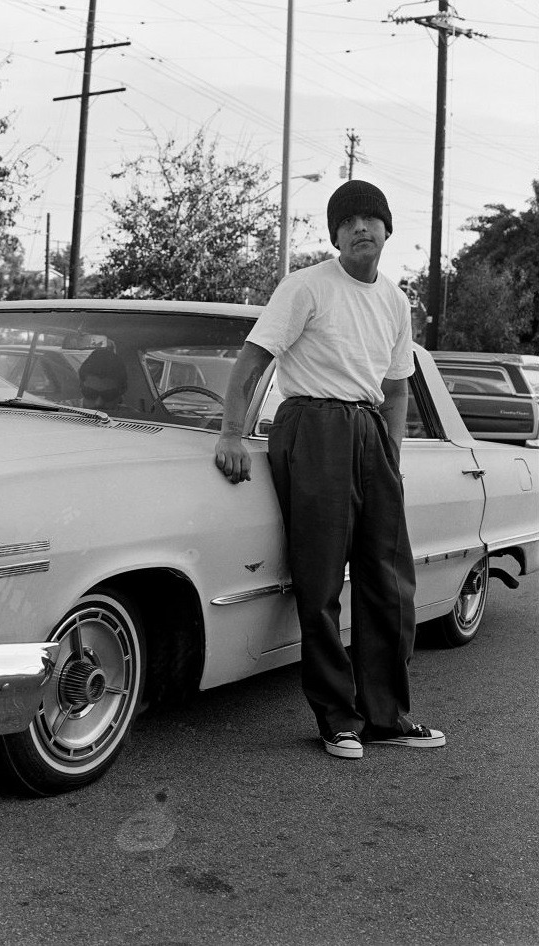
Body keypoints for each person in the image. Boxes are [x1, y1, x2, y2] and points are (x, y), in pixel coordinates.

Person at [213, 180, 445, 760]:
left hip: (369, 433)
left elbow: (394, 390)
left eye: (372, 219)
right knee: (319, 579)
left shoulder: (395, 302)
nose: (362, 228)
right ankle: (337, 719)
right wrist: (232, 432)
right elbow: (253, 361)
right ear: (335, 234)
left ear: (388, 230)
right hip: (312, 426)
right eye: (349, 221)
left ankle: (385, 717)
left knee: (390, 580)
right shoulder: (307, 286)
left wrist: (391, 455)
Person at [77, 347, 127, 411]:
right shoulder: (62, 412)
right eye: (91, 394)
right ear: (80, 387)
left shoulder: (134, 418)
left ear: (123, 390)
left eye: (108, 395)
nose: (98, 403)